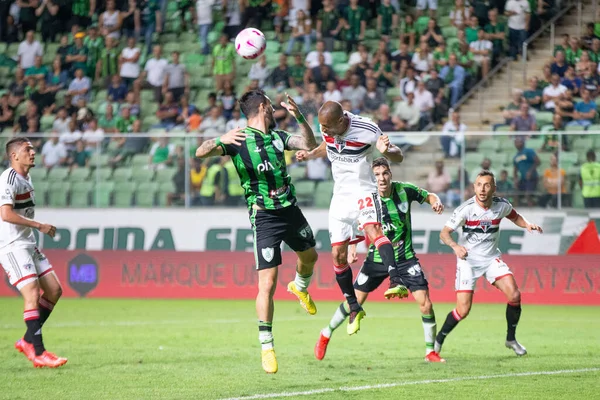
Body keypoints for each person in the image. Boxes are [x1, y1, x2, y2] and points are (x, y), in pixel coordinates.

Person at [195, 90, 319, 374]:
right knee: (268, 283)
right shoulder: (237, 139)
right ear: (263, 107)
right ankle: (267, 346)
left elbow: (310, 143)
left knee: (310, 257)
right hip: (264, 217)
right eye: (272, 106)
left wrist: (300, 116)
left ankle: (299, 288)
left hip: (290, 209)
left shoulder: (278, 137)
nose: (275, 110)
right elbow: (200, 153)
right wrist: (219, 140)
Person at [315, 157, 446, 363]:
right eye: (376, 174)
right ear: (372, 177)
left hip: (405, 258)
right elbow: (356, 223)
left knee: (426, 304)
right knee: (353, 303)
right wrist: (352, 247)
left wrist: (435, 201)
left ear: (390, 174)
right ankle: (326, 333)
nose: (381, 178)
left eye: (385, 173)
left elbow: (428, 195)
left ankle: (431, 352)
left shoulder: (404, 190)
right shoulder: (368, 198)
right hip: (376, 259)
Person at [296, 101, 407, 337]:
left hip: (363, 191)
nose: (323, 131)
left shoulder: (367, 129)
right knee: (337, 255)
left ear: (340, 120)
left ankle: (396, 279)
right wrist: (309, 155)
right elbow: (327, 146)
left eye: (327, 126)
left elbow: (399, 157)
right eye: (321, 126)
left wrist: (387, 151)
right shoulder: (329, 130)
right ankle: (354, 306)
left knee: (373, 230)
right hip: (340, 197)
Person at [436, 170, 543, 359]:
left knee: (515, 295)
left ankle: (511, 339)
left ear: (494, 188)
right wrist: (455, 246)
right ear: (474, 187)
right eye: (479, 185)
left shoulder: (501, 206)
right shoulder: (465, 209)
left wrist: (527, 224)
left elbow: (515, 216)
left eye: (487, 185)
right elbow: (444, 233)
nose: (482, 189)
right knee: (463, 310)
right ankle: (438, 341)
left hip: (491, 259)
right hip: (467, 261)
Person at [0, 137, 67, 368]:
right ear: (14, 156)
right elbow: (6, 215)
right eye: (27, 149)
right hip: (12, 245)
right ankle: (38, 352)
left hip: (27, 244)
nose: (33, 152)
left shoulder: (27, 179)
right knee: (32, 292)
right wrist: (39, 225)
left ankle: (27, 341)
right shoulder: (8, 178)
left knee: (54, 290)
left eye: (33, 149)